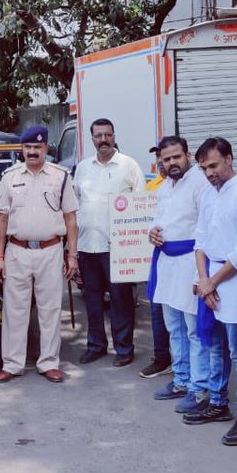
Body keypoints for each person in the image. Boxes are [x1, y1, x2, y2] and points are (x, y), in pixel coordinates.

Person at [183, 137, 237, 447]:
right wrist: (204, 280)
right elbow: (200, 239)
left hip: (236, 278)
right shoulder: (208, 194)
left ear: (229, 159)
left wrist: (212, 281)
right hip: (211, 278)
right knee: (214, 346)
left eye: (214, 165)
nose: (209, 172)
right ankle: (218, 403)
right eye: (203, 167)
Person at [0, 126, 79, 384]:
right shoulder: (9, 177)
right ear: (22, 149)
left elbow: (71, 218)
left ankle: (49, 363)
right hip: (16, 251)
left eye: (37, 148)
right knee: (14, 310)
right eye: (28, 147)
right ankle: (13, 364)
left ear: (46, 148)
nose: (32, 152)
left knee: (50, 309)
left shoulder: (61, 176)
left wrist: (72, 256)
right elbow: (2, 220)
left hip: (51, 250)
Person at [73, 118, 146, 367]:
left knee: (121, 301)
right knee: (92, 300)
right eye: (98, 136)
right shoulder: (82, 168)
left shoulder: (129, 166)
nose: (103, 140)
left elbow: (141, 205)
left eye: (107, 135)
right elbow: (75, 204)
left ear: (114, 136)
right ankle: (96, 345)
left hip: (118, 248)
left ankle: (124, 348)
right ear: (91, 139)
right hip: (87, 246)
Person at [147, 136, 212, 412]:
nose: (172, 163)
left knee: (194, 330)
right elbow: (159, 218)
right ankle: (182, 379)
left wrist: (202, 274)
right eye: (166, 158)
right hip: (167, 263)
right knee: (174, 326)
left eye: (176, 157)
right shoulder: (165, 186)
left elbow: (206, 227)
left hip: (190, 263)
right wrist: (152, 231)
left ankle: (200, 388)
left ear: (188, 155)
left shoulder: (200, 183)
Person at [141, 143, 173, 378]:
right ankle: (162, 357)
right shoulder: (153, 187)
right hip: (156, 257)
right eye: (161, 160)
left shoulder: (191, 185)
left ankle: (184, 368)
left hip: (182, 259)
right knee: (157, 309)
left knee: (181, 318)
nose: (165, 164)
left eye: (170, 159)